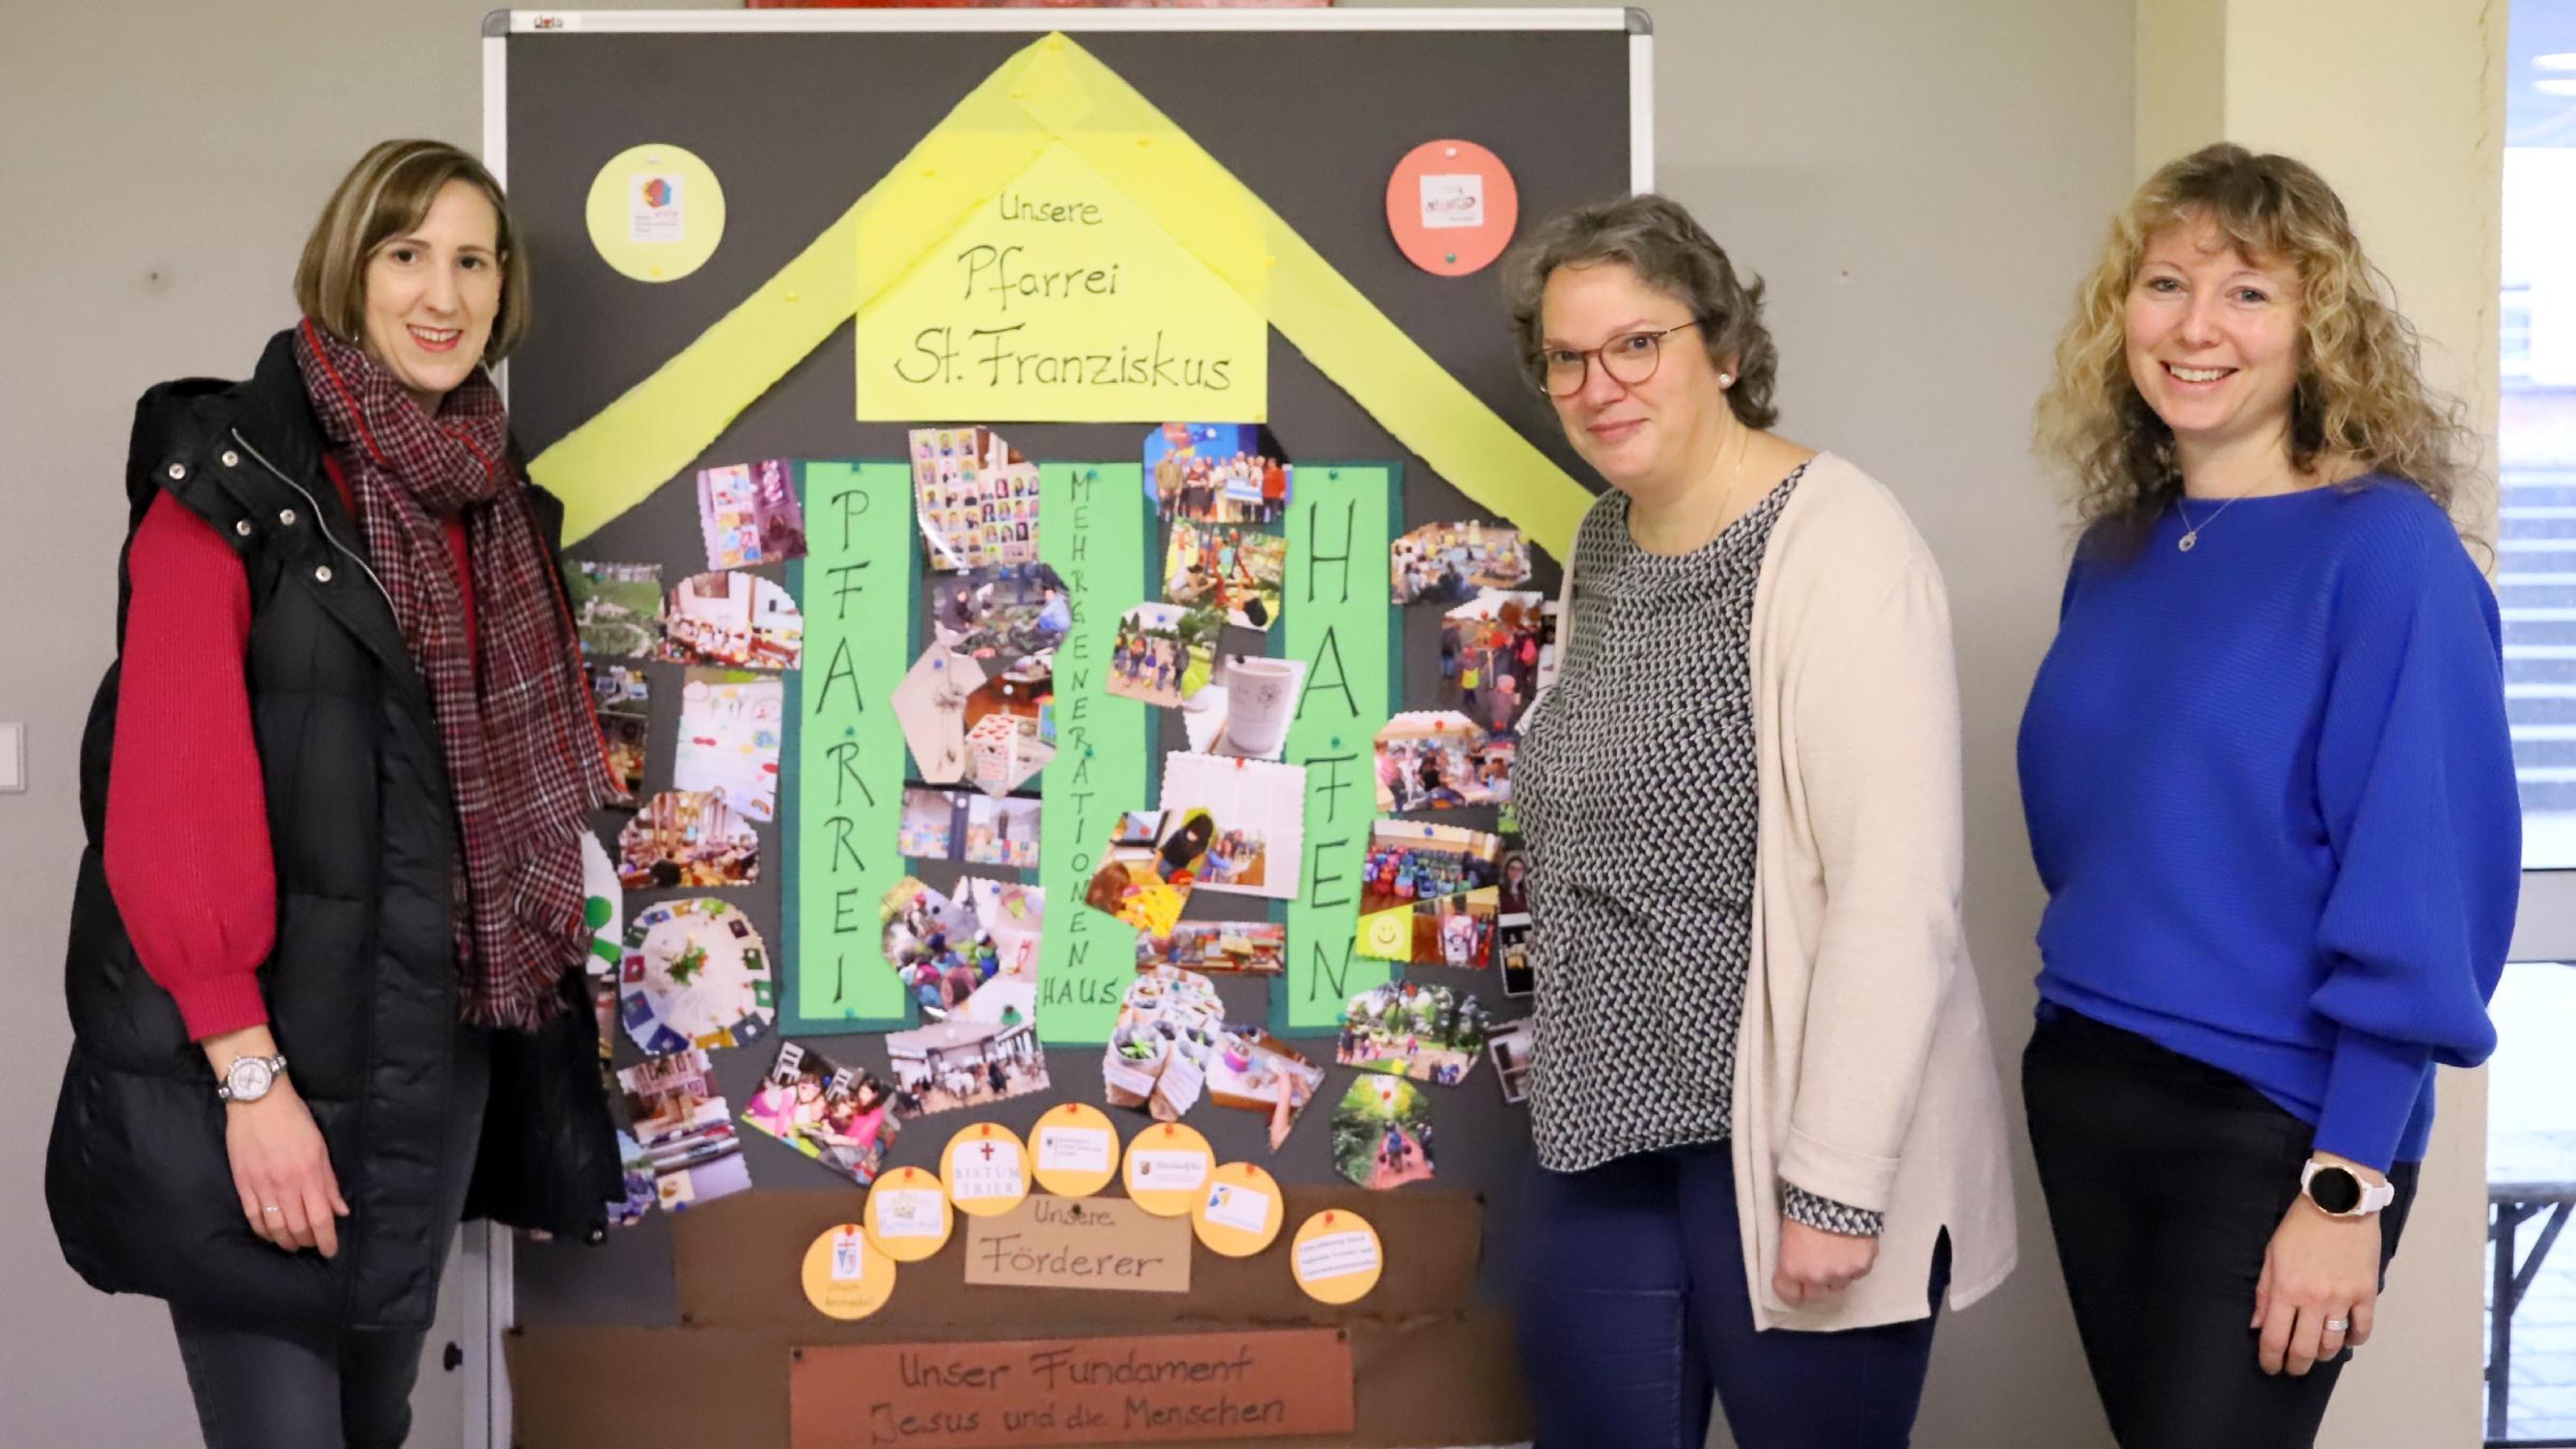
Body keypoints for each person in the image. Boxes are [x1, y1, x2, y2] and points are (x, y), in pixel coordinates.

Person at [45, 140, 627, 1449]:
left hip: (428, 1069)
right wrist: (252, 1090)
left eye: (472, 259)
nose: (442, 291)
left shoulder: (497, 511)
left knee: (377, 1427)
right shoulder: (225, 496)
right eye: (405, 252)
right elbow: (165, 809)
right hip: (257, 1077)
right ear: (346, 271)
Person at [2016, 143, 2519, 1449]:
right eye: (2165, 282)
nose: (2194, 326)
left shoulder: (2386, 552)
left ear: (2318, 330)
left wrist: (2344, 1185)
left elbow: (2428, 890)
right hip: (2082, 1081)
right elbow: (2088, 834)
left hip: (2270, 1122)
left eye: (2247, 294)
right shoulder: (2114, 554)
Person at [1501, 194, 2016, 1449]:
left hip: (1779, 1140)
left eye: (1637, 343)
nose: (1597, 383)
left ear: (1723, 349)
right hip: (1602, 1132)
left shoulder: (1838, 542)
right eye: (1566, 357)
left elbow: (1895, 892)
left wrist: (1833, 1187)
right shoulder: (1604, 540)